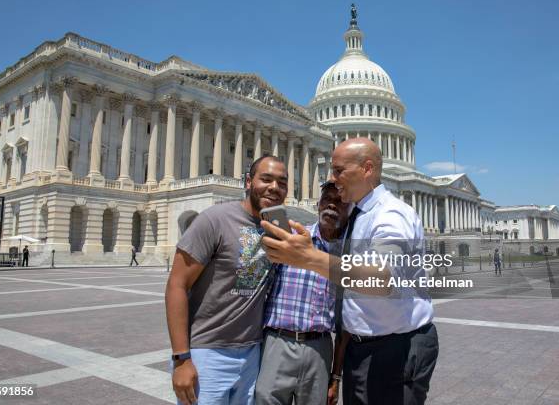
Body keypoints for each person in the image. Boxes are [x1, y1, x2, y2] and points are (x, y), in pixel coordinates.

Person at [261, 138, 439, 405]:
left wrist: (310, 258)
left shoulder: (390, 214)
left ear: (367, 169)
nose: (333, 178)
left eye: (338, 170)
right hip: (364, 347)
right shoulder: (358, 215)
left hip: (394, 348)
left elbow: (382, 279)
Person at [165, 156, 288, 405]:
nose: (274, 187)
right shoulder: (214, 220)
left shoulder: (277, 230)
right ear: (248, 181)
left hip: (252, 353)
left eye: (282, 182)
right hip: (208, 353)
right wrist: (181, 358)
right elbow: (176, 285)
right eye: (266, 179)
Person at [255, 181, 350, 405]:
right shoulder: (292, 238)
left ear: (348, 210)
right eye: (327, 199)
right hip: (279, 340)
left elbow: (346, 323)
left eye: (339, 202)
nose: (332, 206)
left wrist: (336, 376)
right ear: (318, 204)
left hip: (320, 347)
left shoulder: (349, 254)